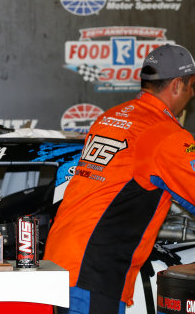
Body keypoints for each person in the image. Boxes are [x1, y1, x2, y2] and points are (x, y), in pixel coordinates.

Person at [44, 44, 195, 314]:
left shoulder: (110, 117)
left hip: (59, 259)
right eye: (191, 86)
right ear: (176, 85)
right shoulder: (165, 133)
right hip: (94, 270)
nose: (192, 94)